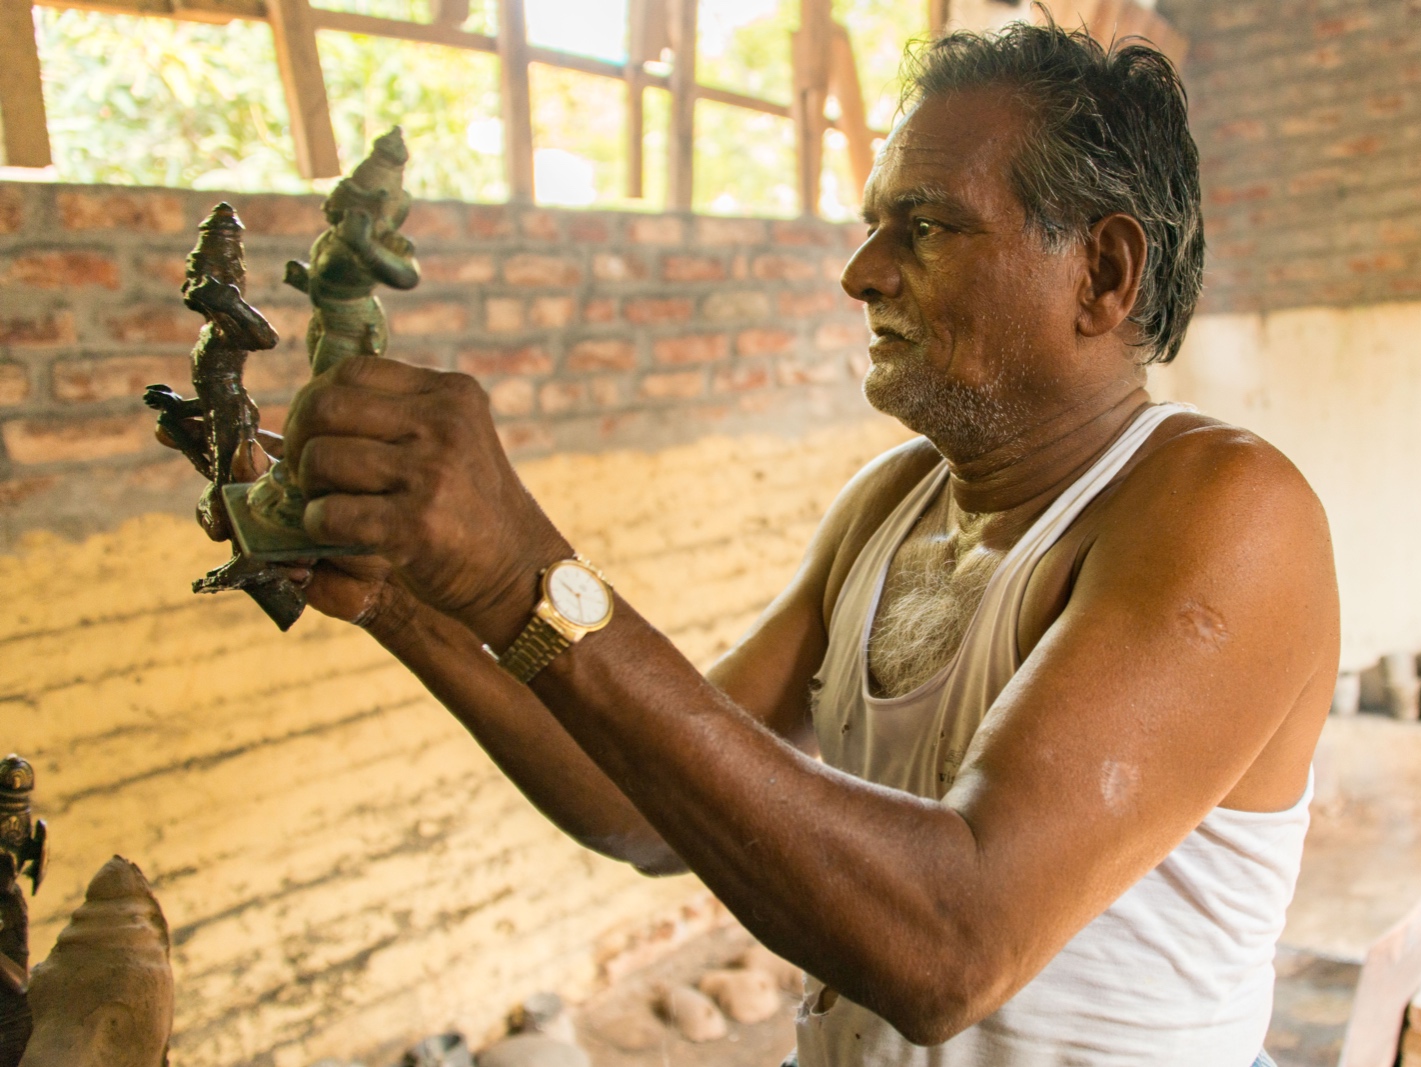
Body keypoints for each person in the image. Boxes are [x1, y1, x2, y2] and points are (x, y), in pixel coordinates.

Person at [267, 23, 1340, 1067]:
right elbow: (648, 805)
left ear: (1100, 273)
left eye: (923, 226)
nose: (860, 273)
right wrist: (397, 598)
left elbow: (950, 947)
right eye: (875, 224)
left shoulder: (1226, 510)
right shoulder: (890, 504)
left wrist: (525, 573)